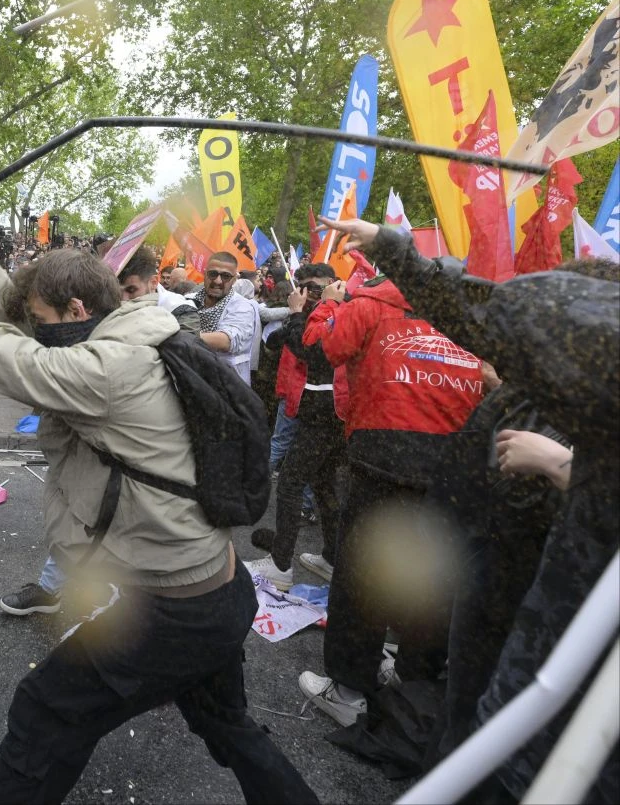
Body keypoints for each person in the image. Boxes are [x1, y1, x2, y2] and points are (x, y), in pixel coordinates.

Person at [0, 179, 318, 805]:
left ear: (79, 312)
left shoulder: (103, 371)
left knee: (43, 713)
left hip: (174, 615)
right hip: (216, 592)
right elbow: (19, 311)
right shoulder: (136, 326)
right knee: (227, 725)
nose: (36, 329)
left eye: (48, 321)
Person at [321, 217, 619, 802]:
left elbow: (481, 314)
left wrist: (561, 464)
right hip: (493, 569)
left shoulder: (587, 388)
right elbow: (479, 313)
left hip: (545, 610)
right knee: (466, 705)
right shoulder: (549, 380)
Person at [296, 255, 485, 725]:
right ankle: (412, 684)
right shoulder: (465, 317)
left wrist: (326, 305)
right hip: (451, 463)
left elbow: (324, 351)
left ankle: (348, 689)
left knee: (362, 573)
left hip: (384, 452)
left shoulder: (371, 302)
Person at [0, 244, 194, 617]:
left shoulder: (106, 367)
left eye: (131, 290)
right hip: (107, 497)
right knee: (81, 508)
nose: (123, 298)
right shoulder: (101, 344)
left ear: (78, 308)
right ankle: (59, 588)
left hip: (170, 577)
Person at [246, 263, 344, 590]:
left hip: (327, 413)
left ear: (335, 286)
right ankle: (332, 557)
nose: (308, 295)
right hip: (316, 409)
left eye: (317, 289)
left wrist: (298, 315)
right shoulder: (311, 315)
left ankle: (280, 564)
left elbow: (314, 354)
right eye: (303, 288)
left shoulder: (340, 312)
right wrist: (294, 318)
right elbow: (275, 342)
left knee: (290, 483)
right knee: (323, 484)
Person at [173, 251, 257, 384]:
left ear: (234, 280)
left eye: (225, 276)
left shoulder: (243, 307)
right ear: (205, 274)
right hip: (190, 380)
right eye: (213, 274)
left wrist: (179, 336)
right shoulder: (188, 300)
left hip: (227, 388)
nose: (218, 281)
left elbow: (226, 341)